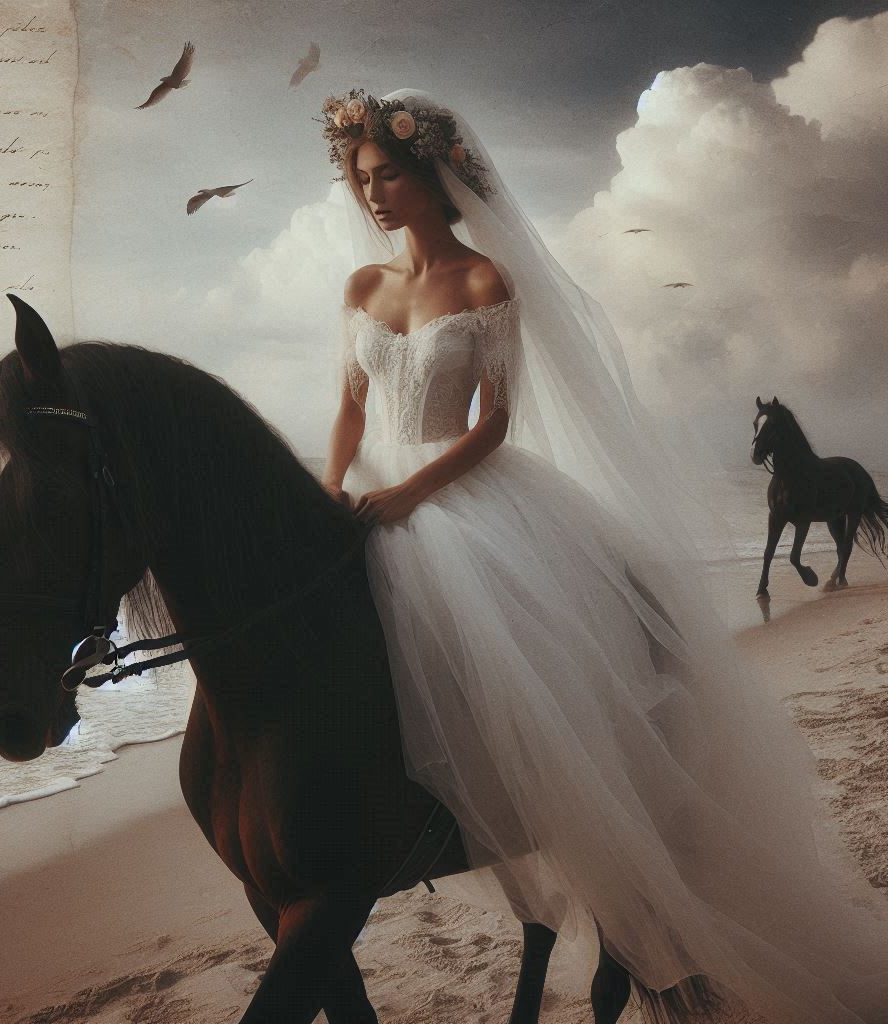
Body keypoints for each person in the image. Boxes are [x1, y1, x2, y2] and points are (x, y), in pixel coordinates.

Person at [319, 87, 888, 1024]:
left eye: (389, 174)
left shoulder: (483, 283)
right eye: (362, 178)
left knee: (522, 674)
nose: (374, 194)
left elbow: (495, 425)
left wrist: (411, 495)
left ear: (432, 174)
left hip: (460, 498)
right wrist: (333, 490)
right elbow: (347, 408)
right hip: (369, 489)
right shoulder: (362, 289)